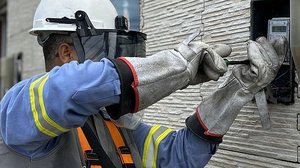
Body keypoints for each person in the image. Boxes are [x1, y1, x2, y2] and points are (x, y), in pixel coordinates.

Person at [0, 0, 285, 168]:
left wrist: (236, 90)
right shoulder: (19, 111)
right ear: (67, 52)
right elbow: (68, 89)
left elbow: (178, 156)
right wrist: (175, 67)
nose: (115, 58)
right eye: (106, 48)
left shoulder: (111, 125)